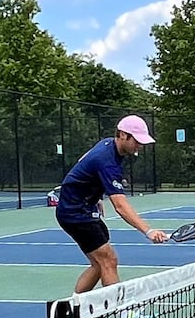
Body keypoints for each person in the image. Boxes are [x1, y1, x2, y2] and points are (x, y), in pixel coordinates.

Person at [55, 115, 168, 294]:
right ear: (123, 135)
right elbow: (121, 206)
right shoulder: (106, 161)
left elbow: (83, 162)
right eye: (137, 140)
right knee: (108, 260)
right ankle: (124, 314)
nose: (140, 145)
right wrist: (148, 231)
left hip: (82, 207)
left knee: (99, 264)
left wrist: (95, 195)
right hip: (75, 212)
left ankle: (75, 313)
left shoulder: (109, 145)